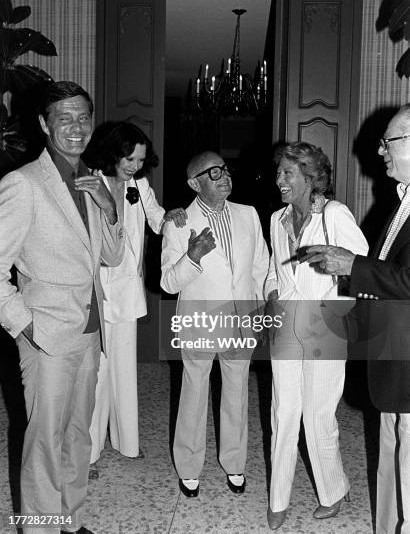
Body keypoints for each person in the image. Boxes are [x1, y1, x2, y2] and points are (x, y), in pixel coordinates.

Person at [0, 81, 124, 534]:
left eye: (83, 117)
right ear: (43, 124)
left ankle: (69, 522)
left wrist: (109, 207)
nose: (76, 127)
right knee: (44, 443)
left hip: (90, 332)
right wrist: (25, 326)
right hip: (47, 335)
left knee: (78, 435)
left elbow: (110, 258)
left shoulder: (93, 180)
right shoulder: (24, 183)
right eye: (64, 118)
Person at [304, 104, 410, 534]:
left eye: (390, 141)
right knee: (392, 460)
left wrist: (353, 264)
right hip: (394, 357)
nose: (380, 150)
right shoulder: (402, 202)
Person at [263, 142, 368, 530]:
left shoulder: (335, 215)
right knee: (284, 411)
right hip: (287, 324)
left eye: (287, 174)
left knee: (318, 415)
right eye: (279, 173)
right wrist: (272, 292)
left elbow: (360, 264)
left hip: (325, 325)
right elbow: (276, 270)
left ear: (310, 178)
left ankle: (332, 490)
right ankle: (278, 498)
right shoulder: (276, 220)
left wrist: (329, 273)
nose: (279, 181)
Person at [161, 150, 269, 498]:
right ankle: (189, 467)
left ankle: (235, 463)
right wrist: (192, 257)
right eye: (213, 173)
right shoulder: (178, 223)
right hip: (200, 321)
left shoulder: (248, 214)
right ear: (194, 183)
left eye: (225, 170)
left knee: (237, 394)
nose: (224, 176)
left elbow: (260, 267)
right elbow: (167, 283)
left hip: (242, 320)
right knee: (194, 394)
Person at [83, 121, 186, 476]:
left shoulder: (139, 185)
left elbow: (158, 220)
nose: (135, 166)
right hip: (94, 288)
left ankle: (126, 441)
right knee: (96, 372)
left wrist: (173, 216)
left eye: (141, 160)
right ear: (113, 152)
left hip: (127, 289)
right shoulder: (88, 181)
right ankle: (89, 450)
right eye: (130, 158)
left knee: (124, 367)